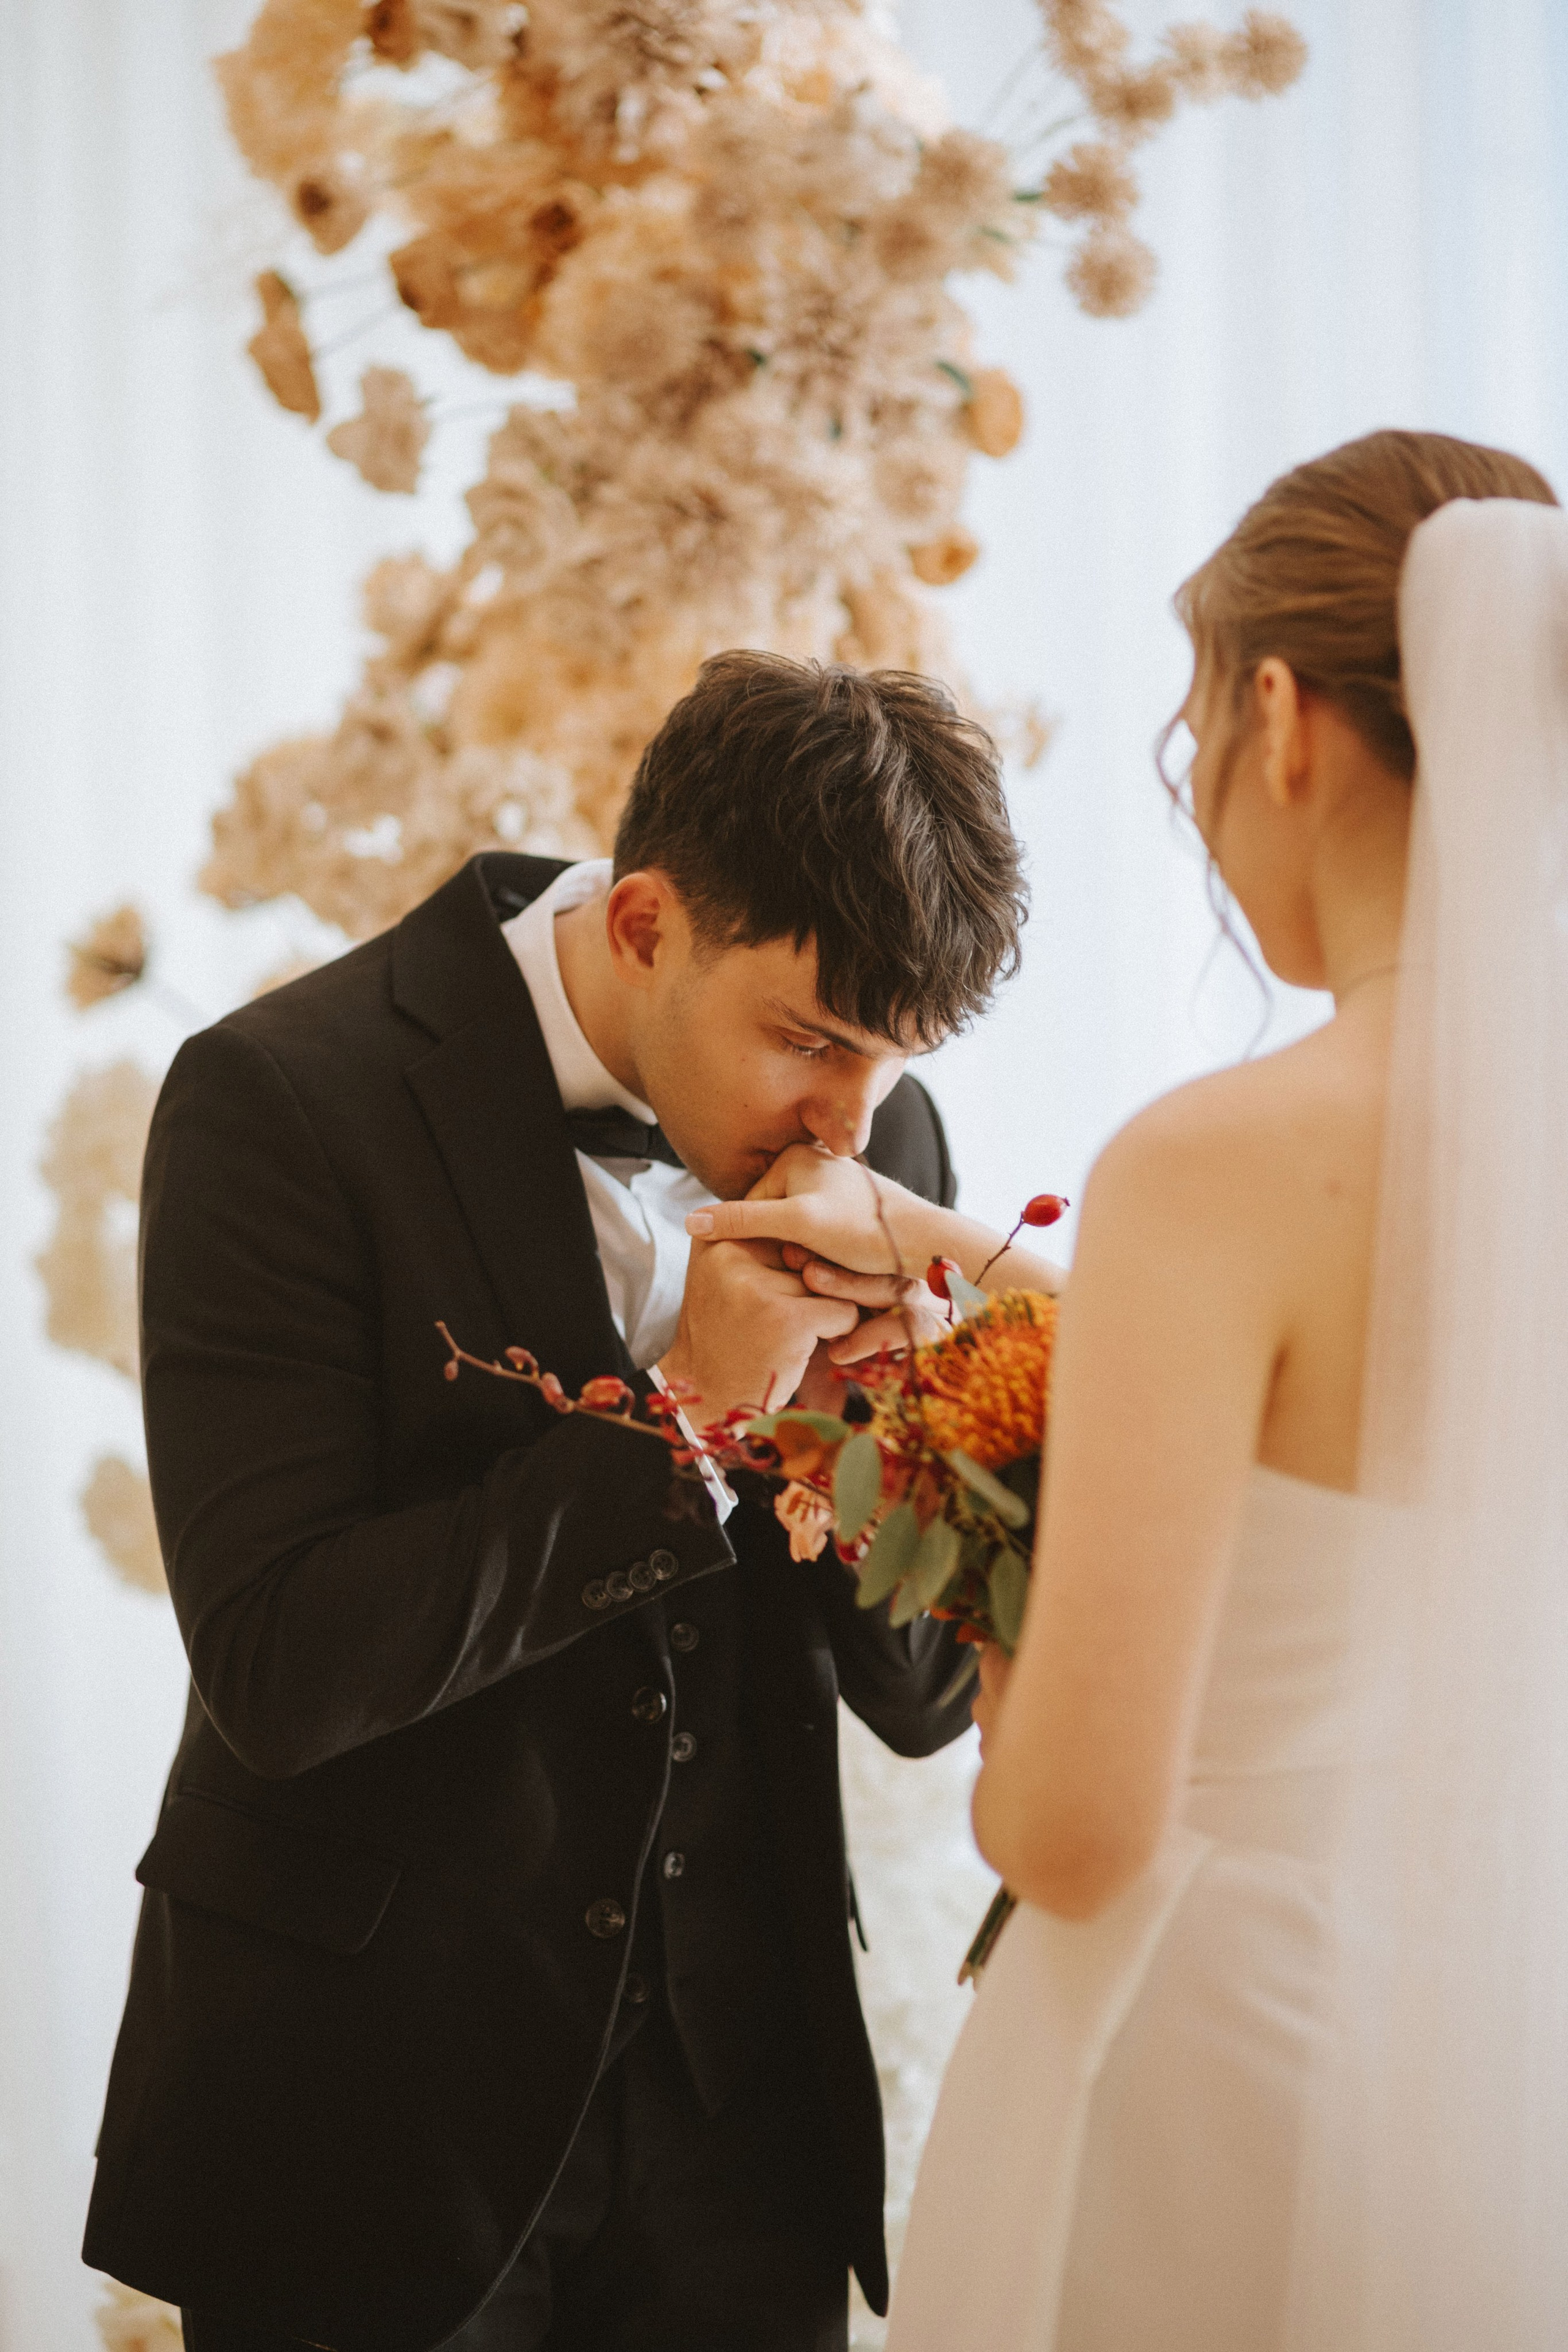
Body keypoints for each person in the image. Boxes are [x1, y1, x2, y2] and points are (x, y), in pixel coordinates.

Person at [699, 431, 1568, 2350]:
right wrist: (941, 1234)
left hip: (1201, 2054)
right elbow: (1372, 1392)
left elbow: (1072, 1826)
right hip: (1478, 2033)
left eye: (1187, 739)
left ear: (1281, 718)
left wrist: (1012, 1620)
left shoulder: (1223, 1158)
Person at [82, 652, 1031, 2352]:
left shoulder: (891, 1131)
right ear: (651, 922)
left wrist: (895, 1428)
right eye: (810, 1042)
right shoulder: (280, 1101)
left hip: (742, 2134)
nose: (848, 1120)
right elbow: (282, 1665)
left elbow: (917, 1698)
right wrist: (687, 1424)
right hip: (369, 2117)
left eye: (891, 1062)